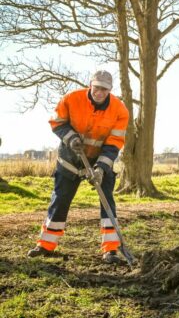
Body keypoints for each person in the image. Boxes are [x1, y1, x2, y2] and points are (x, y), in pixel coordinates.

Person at [27, 70, 129, 264]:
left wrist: (101, 168)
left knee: (107, 201)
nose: (100, 92)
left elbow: (114, 142)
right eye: (97, 87)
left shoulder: (119, 110)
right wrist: (71, 138)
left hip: (100, 159)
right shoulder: (71, 99)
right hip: (70, 159)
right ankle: (46, 245)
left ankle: (111, 250)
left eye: (104, 89)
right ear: (90, 85)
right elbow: (57, 122)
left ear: (110, 90)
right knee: (60, 199)